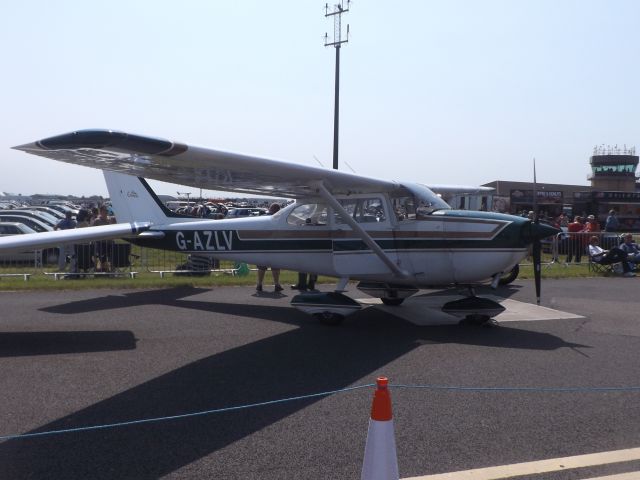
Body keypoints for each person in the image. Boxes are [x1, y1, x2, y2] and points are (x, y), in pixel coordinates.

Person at [256, 203, 283, 292]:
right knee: (275, 267)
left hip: (263, 245)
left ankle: (259, 284)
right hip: (274, 245)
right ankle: (276, 284)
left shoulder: (263, 218)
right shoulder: (280, 219)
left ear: (271, 209)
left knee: (261, 267)